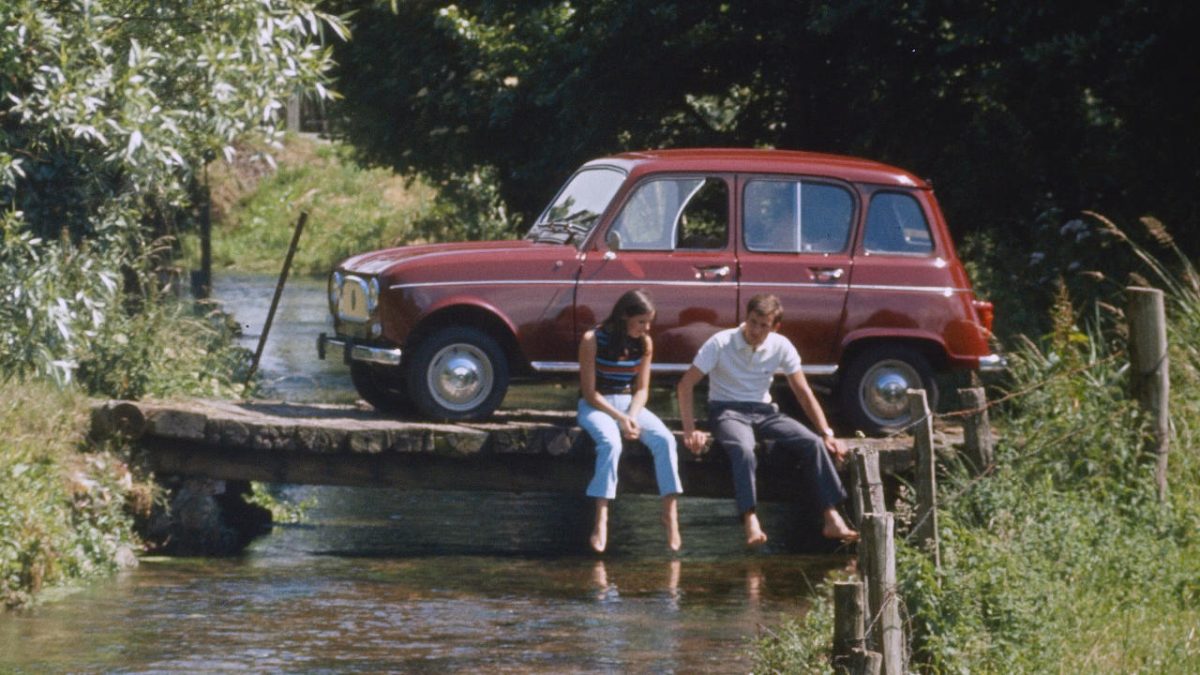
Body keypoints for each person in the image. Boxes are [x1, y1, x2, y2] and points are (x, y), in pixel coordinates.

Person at [676, 294, 858, 547]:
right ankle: (750, 518)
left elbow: (803, 393)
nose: (756, 330)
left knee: (813, 443)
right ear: (745, 318)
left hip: (764, 411)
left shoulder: (781, 345)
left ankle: (831, 517)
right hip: (727, 410)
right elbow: (685, 386)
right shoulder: (720, 342)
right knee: (744, 449)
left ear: (775, 327)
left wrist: (827, 432)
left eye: (764, 326)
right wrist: (689, 430)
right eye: (752, 322)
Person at [578, 289, 683, 553]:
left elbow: (642, 390)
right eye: (641, 322)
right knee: (610, 444)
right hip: (596, 405)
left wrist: (632, 417)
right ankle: (601, 517)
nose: (646, 328)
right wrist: (621, 419)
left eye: (649, 322)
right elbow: (590, 393)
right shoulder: (593, 339)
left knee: (665, 440)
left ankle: (670, 513)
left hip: (628, 404)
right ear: (625, 316)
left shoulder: (645, 343)